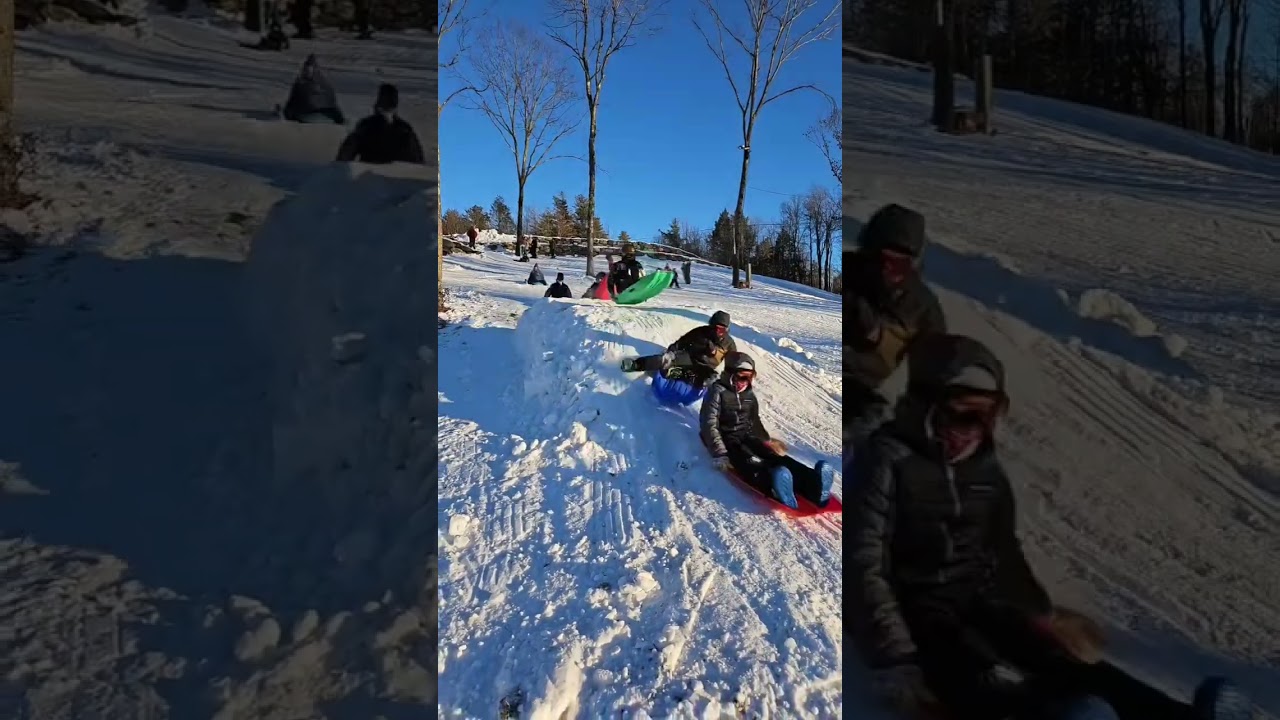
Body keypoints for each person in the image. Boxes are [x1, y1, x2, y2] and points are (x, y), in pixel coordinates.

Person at [848, 334, 1253, 720]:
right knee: (983, 676)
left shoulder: (982, 470)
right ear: (927, 406)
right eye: (965, 413)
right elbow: (863, 566)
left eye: (988, 415)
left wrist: (1036, 613)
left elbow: (1002, 550)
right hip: (916, 614)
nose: (976, 428)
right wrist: (894, 657)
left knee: (1067, 666)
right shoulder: (886, 462)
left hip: (980, 603)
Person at [845, 203, 947, 453]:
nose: (886, 268)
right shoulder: (849, 273)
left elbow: (935, 370)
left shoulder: (922, 307)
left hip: (866, 392)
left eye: (898, 263)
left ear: (912, 263)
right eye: (880, 258)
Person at [700, 352, 834, 510]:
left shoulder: (749, 394)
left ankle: (814, 485)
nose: (746, 382)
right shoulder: (717, 392)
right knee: (748, 460)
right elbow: (709, 424)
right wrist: (720, 452)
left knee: (775, 457)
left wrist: (765, 440)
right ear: (730, 374)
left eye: (750, 378)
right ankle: (773, 484)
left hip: (747, 436)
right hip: (727, 440)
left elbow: (754, 420)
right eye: (743, 377)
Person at [620, 310, 736, 389]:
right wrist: (671, 352)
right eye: (715, 328)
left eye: (721, 330)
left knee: (713, 380)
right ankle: (636, 364)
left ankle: (687, 379)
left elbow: (734, 362)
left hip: (706, 367)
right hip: (690, 358)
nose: (717, 332)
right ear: (711, 325)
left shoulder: (729, 343)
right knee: (665, 359)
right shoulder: (700, 331)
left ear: (726, 330)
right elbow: (682, 341)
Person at [335, 83, 425, 165]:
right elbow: (418, 161)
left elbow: (345, 155)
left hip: (371, 177)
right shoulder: (404, 128)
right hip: (395, 178)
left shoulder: (366, 126)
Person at [281, 54, 345, 124]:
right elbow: (292, 100)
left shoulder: (322, 83)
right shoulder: (300, 84)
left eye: (309, 69)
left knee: (333, 111)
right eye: (305, 70)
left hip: (319, 114)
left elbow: (331, 100)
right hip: (305, 114)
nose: (307, 72)